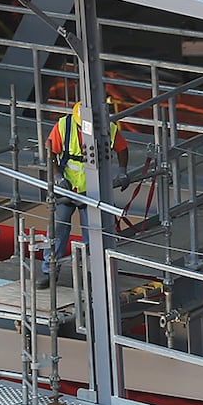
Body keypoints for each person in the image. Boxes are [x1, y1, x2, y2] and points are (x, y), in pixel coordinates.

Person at [39, 99, 129, 289]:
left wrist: (122, 171)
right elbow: (50, 151)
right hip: (67, 188)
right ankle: (50, 272)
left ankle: (94, 274)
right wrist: (57, 177)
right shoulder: (65, 125)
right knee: (57, 230)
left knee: (94, 234)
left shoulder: (107, 128)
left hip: (92, 192)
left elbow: (121, 148)